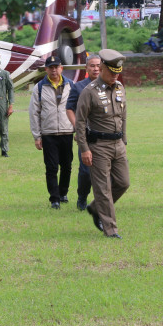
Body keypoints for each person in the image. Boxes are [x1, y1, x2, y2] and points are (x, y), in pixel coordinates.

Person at [75, 49, 129, 239]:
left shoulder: (120, 87)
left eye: (118, 72)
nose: (115, 76)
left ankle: (95, 207)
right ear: (103, 68)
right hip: (98, 146)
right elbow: (80, 122)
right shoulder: (89, 92)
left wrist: (123, 140)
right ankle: (111, 229)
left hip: (118, 144)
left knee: (123, 182)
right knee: (103, 188)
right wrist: (84, 149)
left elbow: (123, 116)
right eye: (112, 72)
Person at [29, 55, 75, 209]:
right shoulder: (39, 87)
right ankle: (54, 198)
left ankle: (63, 193)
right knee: (51, 167)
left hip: (67, 132)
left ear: (61, 68)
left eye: (56, 67)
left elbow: (77, 109)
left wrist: (78, 130)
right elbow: (34, 112)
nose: (54, 70)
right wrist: (37, 136)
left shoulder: (71, 85)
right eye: (51, 67)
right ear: (46, 69)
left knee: (67, 166)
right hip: (48, 134)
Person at [65, 53, 101, 211]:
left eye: (98, 65)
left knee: (104, 171)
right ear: (86, 68)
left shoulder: (107, 85)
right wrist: (78, 128)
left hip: (104, 136)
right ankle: (82, 197)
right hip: (85, 136)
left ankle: (101, 202)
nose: (96, 68)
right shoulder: (78, 87)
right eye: (92, 65)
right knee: (86, 171)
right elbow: (69, 109)